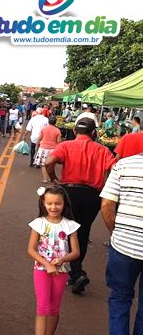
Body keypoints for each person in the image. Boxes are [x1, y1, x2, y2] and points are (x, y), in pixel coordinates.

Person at [44, 118, 116, 295]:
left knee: (67, 230)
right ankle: (75, 271)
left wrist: (54, 179)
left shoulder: (66, 146)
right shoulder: (103, 150)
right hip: (92, 196)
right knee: (82, 233)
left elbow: (48, 162)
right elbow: (115, 168)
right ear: (94, 133)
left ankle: (75, 272)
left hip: (70, 193)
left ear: (75, 131)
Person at [21, 186, 80, 335]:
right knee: (42, 308)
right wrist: (46, 264)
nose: (54, 207)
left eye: (58, 203)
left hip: (61, 272)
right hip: (41, 270)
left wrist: (62, 259)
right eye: (50, 203)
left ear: (64, 204)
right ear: (43, 203)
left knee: (54, 308)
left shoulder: (70, 225)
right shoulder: (38, 223)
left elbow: (76, 252)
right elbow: (31, 249)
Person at [99, 151, 143, 335]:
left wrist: (116, 232)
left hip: (124, 245)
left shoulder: (124, 165)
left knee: (120, 297)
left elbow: (107, 204)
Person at [34, 116, 61, 183]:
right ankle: (51, 178)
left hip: (43, 148)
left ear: (48, 122)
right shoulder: (57, 130)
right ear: (55, 122)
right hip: (53, 150)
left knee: (43, 164)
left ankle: (45, 179)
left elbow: (39, 138)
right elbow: (59, 142)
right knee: (51, 164)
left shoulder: (44, 129)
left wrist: (36, 146)